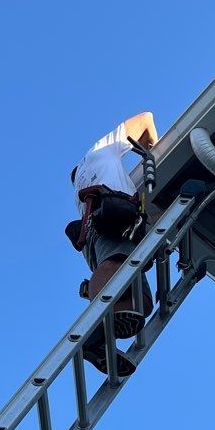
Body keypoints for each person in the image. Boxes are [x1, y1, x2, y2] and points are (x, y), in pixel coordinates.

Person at [65, 113, 158, 376]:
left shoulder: (81, 187)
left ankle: (101, 339)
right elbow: (146, 119)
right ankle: (94, 335)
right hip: (111, 217)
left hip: (95, 232)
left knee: (141, 301)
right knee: (116, 263)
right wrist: (154, 151)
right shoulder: (100, 151)